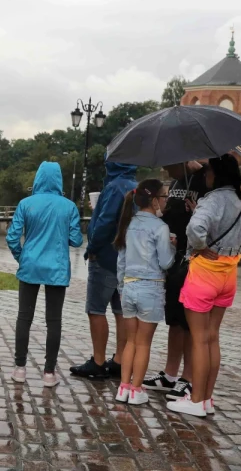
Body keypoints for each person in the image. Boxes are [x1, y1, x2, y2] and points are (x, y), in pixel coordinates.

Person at [167, 154, 241, 418]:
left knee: (199, 340)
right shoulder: (240, 200)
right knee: (212, 338)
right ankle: (206, 399)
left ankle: (195, 400)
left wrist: (200, 246)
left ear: (218, 173)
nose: (206, 175)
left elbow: (195, 229)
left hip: (205, 273)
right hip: (228, 273)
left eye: (209, 171)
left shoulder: (212, 199)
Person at [6, 161, 83, 386]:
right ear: (59, 180)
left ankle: (20, 368)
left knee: (24, 317)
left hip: (30, 265)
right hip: (57, 268)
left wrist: (22, 257)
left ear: (38, 178)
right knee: (54, 320)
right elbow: (76, 240)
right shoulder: (69, 207)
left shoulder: (25, 204)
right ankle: (49, 373)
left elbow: (12, 237)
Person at [144, 161, 206, 398]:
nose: (166, 169)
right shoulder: (176, 183)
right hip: (174, 257)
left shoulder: (203, 181)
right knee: (174, 320)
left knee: (189, 321)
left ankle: (187, 377)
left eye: (170, 165)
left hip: (193, 257)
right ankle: (170, 374)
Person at [72, 160, 138, 378]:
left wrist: (92, 248)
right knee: (120, 311)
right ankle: (119, 360)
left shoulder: (114, 187)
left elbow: (105, 222)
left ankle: (98, 362)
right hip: (126, 259)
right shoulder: (135, 186)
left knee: (96, 309)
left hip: (106, 256)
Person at [114, 179, 174, 405]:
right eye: (164, 197)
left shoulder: (128, 224)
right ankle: (136, 389)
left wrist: (121, 288)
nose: (166, 201)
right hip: (151, 288)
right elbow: (166, 262)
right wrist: (173, 246)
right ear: (155, 200)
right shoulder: (160, 227)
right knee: (143, 343)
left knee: (130, 341)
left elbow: (121, 261)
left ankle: (123, 387)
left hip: (129, 287)